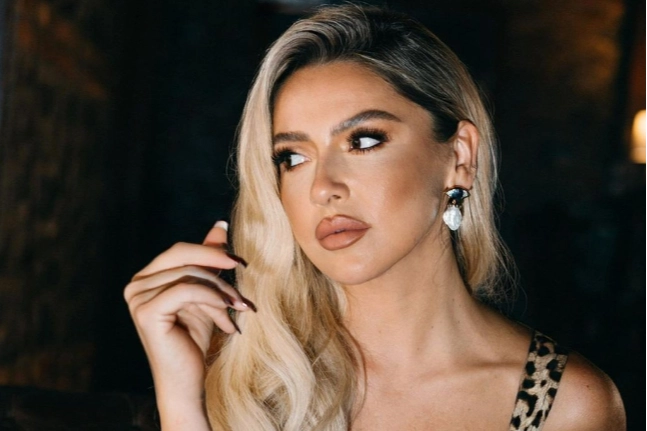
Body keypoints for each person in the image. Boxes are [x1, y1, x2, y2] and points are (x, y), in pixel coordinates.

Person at [124, 5, 626, 430]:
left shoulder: (563, 405)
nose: (323, 188)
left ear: (460, 157)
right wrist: (182, 399)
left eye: (363, 141)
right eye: (292, 157)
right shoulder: (246, 379)